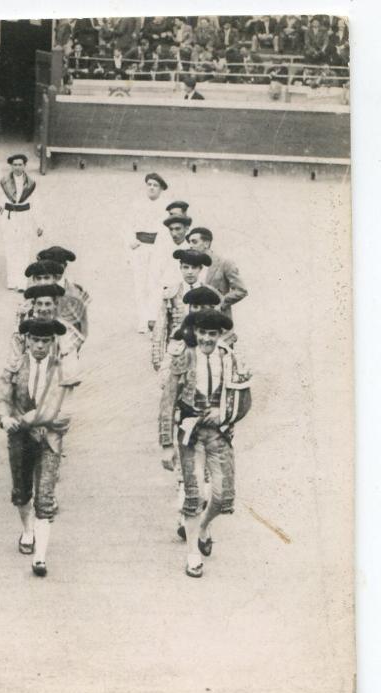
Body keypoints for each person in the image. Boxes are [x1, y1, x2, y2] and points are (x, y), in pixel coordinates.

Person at [159, 311, 251, 578]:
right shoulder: (183, 358)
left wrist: (223, 414)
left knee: (222, 497)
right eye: (203, 333)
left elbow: (245, 397)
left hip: (219, 434)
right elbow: (167, 402)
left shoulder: (230, 359)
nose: (207, 339)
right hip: (190, 434)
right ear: (195, 333)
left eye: (212, 334)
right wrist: (166, 443)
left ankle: (201, 528)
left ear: (219, 334)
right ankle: (192, 554)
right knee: (194, 494)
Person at [0, 318, 80, 577]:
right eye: (35, 340)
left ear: (52, 342)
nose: (40, 346)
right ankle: (28, 530)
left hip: (49, 439)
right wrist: (5, 418)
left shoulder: (64, 369)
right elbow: (1, 399)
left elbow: (67, 412)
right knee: (21, 491)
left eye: (45, 341)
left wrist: (44, 421)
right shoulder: (15, 366)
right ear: (27, 341)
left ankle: (40, 557)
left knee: (45, 497)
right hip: (19, 437)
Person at [152, 248, 212, 372]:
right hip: (176, 351)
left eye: (194, 268)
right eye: (185, 267)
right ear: (180, 268)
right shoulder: (171, 293)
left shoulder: (209, 293)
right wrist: (157, 357)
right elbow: (161, 326)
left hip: (201, 351)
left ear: (200, 269)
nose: (189, 272)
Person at [129, 172, 171, 332]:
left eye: (155, 185)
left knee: (155, 283)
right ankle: (142, 320)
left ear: (161, 189)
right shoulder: (137, 204)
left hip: (157, 248)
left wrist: (163, 247)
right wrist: (131, 241)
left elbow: (168, 230)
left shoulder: (166, 207)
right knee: (140, 284)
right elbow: (127, 225)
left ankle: (153, 317)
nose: (152, 188)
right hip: (140, 247)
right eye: (149, 184)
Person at [0, 155, 44, 290]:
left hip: (25, 218)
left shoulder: (31, 183)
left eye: (20, 164)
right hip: (10, 218)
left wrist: (39, 224)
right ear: (11, 166)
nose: (18, 167)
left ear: (24, 166)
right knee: (10, 249)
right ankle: (12, 280)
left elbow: (37, 204)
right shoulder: (4, 182)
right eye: (15, 164)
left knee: (24, 249)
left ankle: (22, 282)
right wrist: (2, 218)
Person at [187, 227, 248, 321]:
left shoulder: (224, 263)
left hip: (218, 321)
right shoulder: (190, 267)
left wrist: (221, 303)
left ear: (206, 243)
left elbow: (241, 290)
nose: (190, 246)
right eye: (189, 242)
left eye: (194, 242)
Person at [35, 246, 89, 341]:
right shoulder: (37, 291)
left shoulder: (76, 291)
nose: (56, 271)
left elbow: (83, 327)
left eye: (60, 266)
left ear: (65, 266)